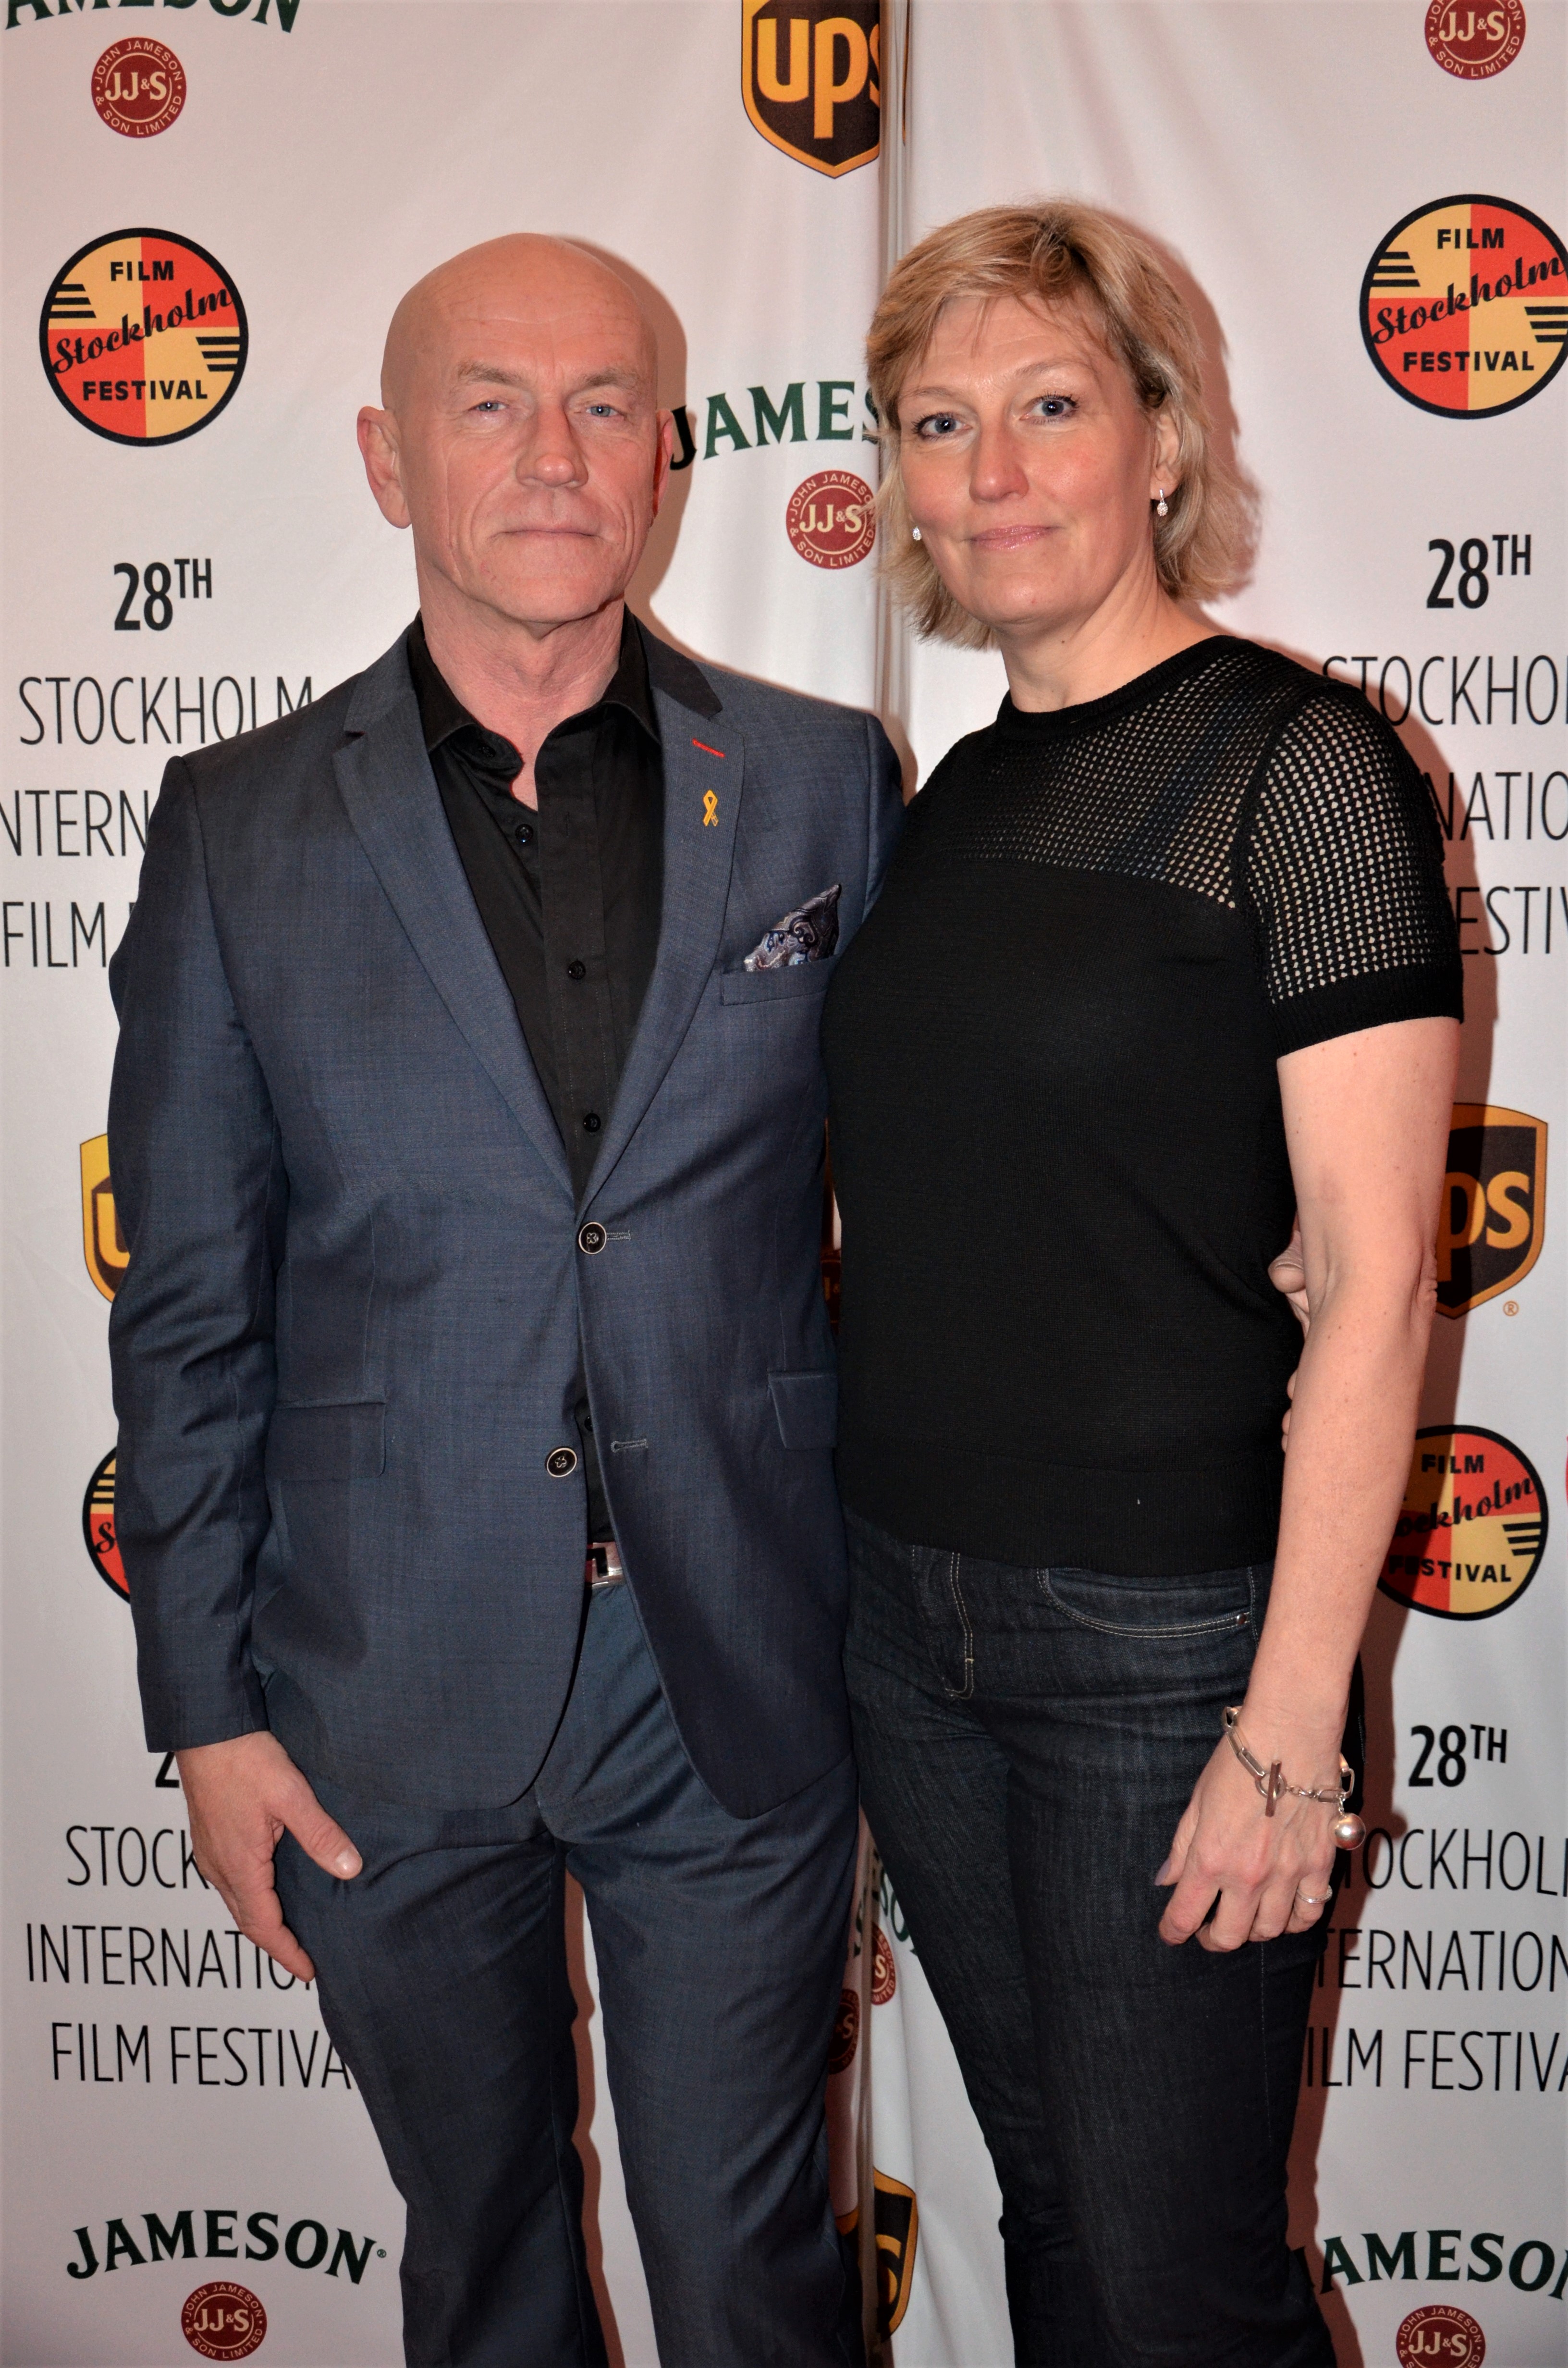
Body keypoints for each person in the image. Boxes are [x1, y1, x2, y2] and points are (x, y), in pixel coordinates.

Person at [107, 232, 902, 2368]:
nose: (554, 453)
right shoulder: (239, 826)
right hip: (378, 1680)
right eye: (489, 404)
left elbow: (936, 1189)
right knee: (484, 2268)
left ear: (665, 457)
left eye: (603, 404)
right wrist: (206, 1713)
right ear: (390, 460)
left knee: (751, 2270)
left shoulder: (823, 780)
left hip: (731, 1663)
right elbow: (188, 1310)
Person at [822, 202, 1461, 2367]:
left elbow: (1370, 1282)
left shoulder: (1305, 767)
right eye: (939, 423)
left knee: (1184, 2283)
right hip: (905, 1618)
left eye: (1051, 405)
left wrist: (1287, 1733)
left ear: (1164, 441)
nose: (992, 469)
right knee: (1064, 2224)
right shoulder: (948, 799)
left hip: (1165, 1644)